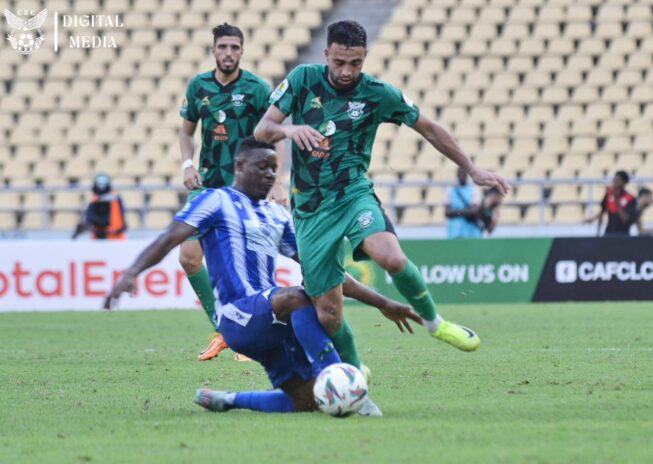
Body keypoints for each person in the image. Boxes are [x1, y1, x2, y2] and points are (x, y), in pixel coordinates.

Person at [254, 20, 509, 369]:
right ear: (327, 53)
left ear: (365, 57)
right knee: (328, 314)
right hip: (311, 209)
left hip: (353, 194)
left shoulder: (377, 93)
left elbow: (430, 129)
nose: (347, 71)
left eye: (355, 63)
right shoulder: (301, 80)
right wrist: (291, 128)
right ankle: (357, 373)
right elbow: (262, 129)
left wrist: (474, 168)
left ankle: (435, 323)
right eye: (339, 62)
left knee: (391, 257)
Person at [104, 139, 420, 416]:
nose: (270, 174)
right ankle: (345, 384)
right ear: (240, 166)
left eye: (274, 167)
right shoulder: (215, 201)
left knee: (306, 402)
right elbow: (169, 238)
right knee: (299, 297)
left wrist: (383, 303)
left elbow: (325, 272)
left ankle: (229, 400)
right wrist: (132, 272)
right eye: (262, 166)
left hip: (273, 324)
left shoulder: (276, 215)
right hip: (237, 316)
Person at [178, 23, 287, 361]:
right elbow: (186, 131)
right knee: (188, 255)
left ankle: (252, 337)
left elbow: (275, 135)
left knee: (250, 267)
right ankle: (222, 328)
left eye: (234, 47)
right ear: (214, 49)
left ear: (242, 51)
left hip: (246, 190)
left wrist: (277, 181)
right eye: (223, 47)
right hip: (209, 186)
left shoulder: (256, 88)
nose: (228, 53)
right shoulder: (199, 87)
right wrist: (187, 164)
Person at [72, 173, 127, 240]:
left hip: (115, 239)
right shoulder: (94, 200)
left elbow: (121, 220)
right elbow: (89, 219)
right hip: (98, 238)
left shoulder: (115, 198)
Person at [584, 170, 637, 237]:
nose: (614, 182)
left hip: (623, 234)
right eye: (614, 179)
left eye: (618, 180)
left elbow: (625, 220)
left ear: (624, 182)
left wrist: (616, 199)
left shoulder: (631, 198)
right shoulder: (608, 195)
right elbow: (602, 211)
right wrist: (598, 232)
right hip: (609, 233)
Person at [445, 168, 483, 238]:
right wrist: (466, 212)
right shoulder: (450, 190)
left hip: (471, 232)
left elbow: (474, 211)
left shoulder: (473, 190)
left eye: (464, 174)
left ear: (467, 175)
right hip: (454, 232)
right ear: (457, 175)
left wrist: (457, 212)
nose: (462, 176)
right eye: (460, 174)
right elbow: (447, 212)